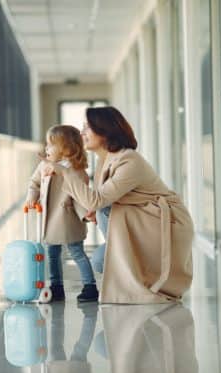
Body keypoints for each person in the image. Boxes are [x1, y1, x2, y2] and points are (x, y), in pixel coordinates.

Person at [44, 106, 194, 304]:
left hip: (165, 226)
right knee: (100, 260)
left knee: (104, 211)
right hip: (145, 222)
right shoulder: (105, 161)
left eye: (87, 128)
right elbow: (99, 201)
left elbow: (97, 200)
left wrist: (64, 172)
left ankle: (148, 278)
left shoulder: (128, 160)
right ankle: (139, 275)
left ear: (105, 131)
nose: (82, 133)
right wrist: (95, 211)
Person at [26, 125, 99, 302]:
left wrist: (85, 213)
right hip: (49, 218)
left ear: (65, 148)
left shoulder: (75, 170)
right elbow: (34, 183)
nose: (46, 149)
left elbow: (79, 195)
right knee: (52, 253)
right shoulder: (44, 166)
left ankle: (90, 287)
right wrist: (32, 196)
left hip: (68, 217)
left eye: (50, 145)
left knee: (76, 252)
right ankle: (56, 286)